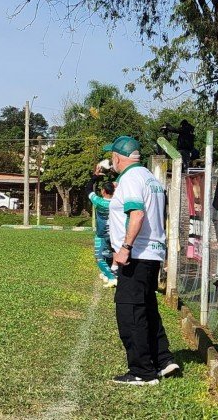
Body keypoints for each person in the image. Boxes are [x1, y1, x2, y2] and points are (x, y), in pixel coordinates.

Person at [103, 135, 180, 385]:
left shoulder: (130, 179)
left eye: (111, 157)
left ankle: (141, 372)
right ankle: (163, 360)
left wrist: (125, 247)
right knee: (147, 309)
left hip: (136, 254)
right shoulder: (149, 177)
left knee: (130, 313)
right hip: (151, 253)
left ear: (117, 157)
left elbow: (136, 214)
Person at [89, 166, 117, 287]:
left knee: (99, 258)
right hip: (116, 234)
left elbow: (88, 189)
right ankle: (107, 275)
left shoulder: (99, 202)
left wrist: (95, 176)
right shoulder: (119, 202)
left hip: (102, 234)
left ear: (103, 192)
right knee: (110, 255)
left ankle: (112, 277)